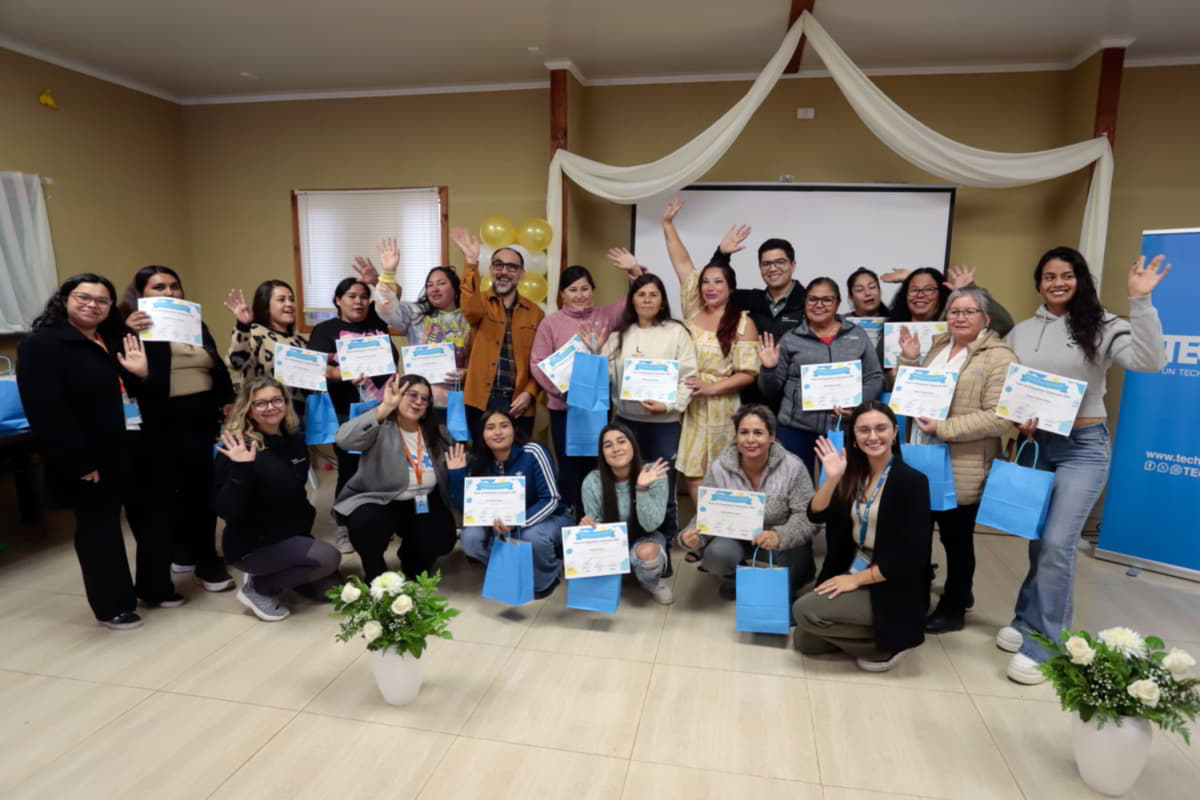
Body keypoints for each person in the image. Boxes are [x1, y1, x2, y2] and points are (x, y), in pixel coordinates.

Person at [999, 248, 1170, 685]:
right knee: (1039, 541)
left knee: (1059, 542)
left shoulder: (1105, 323)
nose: (1058, 282)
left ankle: (1049, 645)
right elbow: (1011, 389)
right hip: (1037, 444)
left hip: (1083, 446)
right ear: (1038, 283)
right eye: (1049, 276)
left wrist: (1141, 302)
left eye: (1067, 275)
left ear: (1081, 280)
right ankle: (1024, 622)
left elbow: (1151, 361)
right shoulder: (1020, 332)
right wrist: (1016, 417)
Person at [16, 274, 157, 629]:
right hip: (87, 455)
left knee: (141, 518)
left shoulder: (112, 338)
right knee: (100, 530)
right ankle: (112, 606)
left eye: (102, 300)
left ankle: (148, 588)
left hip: (129, 445)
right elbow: (47, 412)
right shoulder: (41, 345)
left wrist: (141, 374)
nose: (92, 305)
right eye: (84, 297)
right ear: (64, 299)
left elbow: (130, 390)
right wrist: (79, 462)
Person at [895, 287, 1016, 633]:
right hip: (921, 454)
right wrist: (909, 360)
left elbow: (1000, 417)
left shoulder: (1000, 357)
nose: (960, 318)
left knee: (956, 538)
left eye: (969, 312)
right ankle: (916, 596)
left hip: (962, 463)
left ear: (987, 318)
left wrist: (945, 428)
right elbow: (912, 394)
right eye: (954, 312)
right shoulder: (938, 346)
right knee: (918, 532)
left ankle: (954, 606)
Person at [120, 265, 236, 591]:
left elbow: (217, 366)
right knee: (172, 495)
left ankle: (203, 557)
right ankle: (190, 555)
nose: (170, 293)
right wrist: (125, 330)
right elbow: (129, 377)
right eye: (159, 288)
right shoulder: (131, 328)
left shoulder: (195, 324)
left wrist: (227, 399)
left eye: (175, 286)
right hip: (160, 422)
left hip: (201, 418)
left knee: (202, 490)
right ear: (142, 294)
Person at [793, 402, 933, 672]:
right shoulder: (853, 474)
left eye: (881, 428)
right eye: (864, 430)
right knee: (805, 641)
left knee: (804, 611)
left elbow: (911, 557)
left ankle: (895, 641)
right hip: (854, 564)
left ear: (895, 432)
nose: (873, 436)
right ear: (854, 437)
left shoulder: (912, 482)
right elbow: (815, 514)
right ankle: (873, 630)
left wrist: (855, 580)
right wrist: (832, 479)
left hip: (890, 578)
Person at [214, 377, 342, 621]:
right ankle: (258, 587)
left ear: (286, 403)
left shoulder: (293, 439)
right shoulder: (239, 448)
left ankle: (287, 569)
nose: (270, 407)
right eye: (260, 403)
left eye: (276, 400)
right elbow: (227, 510)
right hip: (254, 544)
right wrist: (241, 470)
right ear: (248, 410)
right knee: (328, 557)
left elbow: (295, 494)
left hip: (290, 535)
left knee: (333, 590)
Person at [587, 273, 698, 539]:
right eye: (641, 294)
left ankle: (666, 538)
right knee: (624, 482)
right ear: (632, 300)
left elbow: (689, 379)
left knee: (663, 483)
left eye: (653, 294)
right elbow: (604, 379)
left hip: (664, 425)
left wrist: (669, 406)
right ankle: (624, 535)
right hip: (626, 423)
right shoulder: (618, 337)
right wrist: (594, 352)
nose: (647, 300)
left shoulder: (676, 333)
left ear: (662, 301)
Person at [665, 197, 803, 408]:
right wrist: (721, 254)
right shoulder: (746, 300)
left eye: (780, 262)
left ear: (793, 265)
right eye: (766, 264)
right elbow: (707, 280)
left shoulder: (810, 303)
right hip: (747, 400)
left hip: (791, 400)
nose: (773, 268)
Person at [663, 211, 760, 502]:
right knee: (694, 474)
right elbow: (681, 262)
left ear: (730, 288)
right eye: (706, 282)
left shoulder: (743, 323)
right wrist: (668, 225)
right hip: (690, 405)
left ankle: (727, 536)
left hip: (722, 405)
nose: (710, 287)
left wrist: (711, 388)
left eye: (718, 282)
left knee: (726, 473)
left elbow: (748, 373)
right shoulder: (693, 309)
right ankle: (704, 537)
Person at [678, 405, 818, 600]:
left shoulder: (793, 467)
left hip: (781, 543)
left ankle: (783, 584)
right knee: (716, 555)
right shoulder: (719, 468)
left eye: (758, 432)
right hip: (737, 540)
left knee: (794, 573)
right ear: (736, 436)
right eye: (744, 432)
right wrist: (690, 537)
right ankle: (734, 579)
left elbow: (808, 516)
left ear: (772, 437)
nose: (750, 439)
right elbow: (707, 515)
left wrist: (779, 535)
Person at [333, 374, 458, 583]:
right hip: (380, 500)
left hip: (422, 501)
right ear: (397, 395)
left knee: (442, 536)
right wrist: (384, 408)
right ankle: (374, 570)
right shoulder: (379, 425)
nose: (418, 401)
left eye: (424, 398)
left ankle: (412, 560)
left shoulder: (437, 433)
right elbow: (343, 440)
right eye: (412, 395)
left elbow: (456, 461)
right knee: (365, 523)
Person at [306, 274, 398, 554]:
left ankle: (379, 519)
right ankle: (344, 525)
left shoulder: (377, 326)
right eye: (351, 296)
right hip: (345, 410)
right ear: (338, 300)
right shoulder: (325, 330)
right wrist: (343, 373)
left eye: (362, 296)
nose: (358, 301)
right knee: (349, 468)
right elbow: (314, 368)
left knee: (382, 465)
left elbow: (392, 358)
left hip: (381, 407)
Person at [757, 277, 884, 476]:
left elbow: (875, 377)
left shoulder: (857, 335)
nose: (819, 305)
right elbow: (770, 389)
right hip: (796, 428)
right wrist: (768, 368)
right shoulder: (791, 339)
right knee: (795, 487)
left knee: (840, 488)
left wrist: (856, 404)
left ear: (837, 303)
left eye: (826, 300)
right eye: (812, 299)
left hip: (842, 428)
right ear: (805, 302)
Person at [531, 263, 629, 516]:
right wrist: (561, 391)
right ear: (562, 294)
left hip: (596, 408)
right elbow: (537, 363)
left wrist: (634, 271)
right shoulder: (550, 323)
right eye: (573, 289)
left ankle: (598, 516)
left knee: (599, 463)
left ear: (593, 290)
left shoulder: (605, 316)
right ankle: (574, 519)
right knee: (570, 466)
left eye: (585, 288)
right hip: (564, 408)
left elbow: (635, 301)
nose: (580, 295)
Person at [449, 408, 571, 598]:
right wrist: (457, 474)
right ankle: (513, 569)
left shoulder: (533, 452)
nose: (498, 432)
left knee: (532, 536)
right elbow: (467, 509)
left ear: (514, 429)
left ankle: (548, 575)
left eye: (504, 426)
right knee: (470, 539)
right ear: (482, 434)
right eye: (490, 428)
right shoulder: (479, 461)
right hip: (500, 523)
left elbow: (552, 499)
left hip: (549, 518)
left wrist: (517, 522)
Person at [360, 237, 471, 421]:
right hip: (416, 402)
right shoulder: (416, 313)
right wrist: (388, 273)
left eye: (441, 283)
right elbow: (386, 308)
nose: (434, 289)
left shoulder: (469, 317)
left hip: (456, 403)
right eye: (429, 285)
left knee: (451, 448)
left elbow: (483, 358)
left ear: (455, 288)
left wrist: (467, 373)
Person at [450, 227, 545, 439]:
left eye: (512, 267)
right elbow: (469, 308)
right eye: (499, 265)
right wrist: (471, 263)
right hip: (480, 400)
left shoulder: (536, 313)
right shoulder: (480, 301)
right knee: (481, 463)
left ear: (522, 274)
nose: (504, 272)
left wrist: (530, 393)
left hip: (519, 402)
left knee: (518, 462)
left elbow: (540, 362)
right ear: (491, 270)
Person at [579, 422, 674, 604]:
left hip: (645, 537)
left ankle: (652, 583)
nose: (615, 449)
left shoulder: (654, 473)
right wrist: (588, 524)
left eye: (621, 441)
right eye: (608, 445)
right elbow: (595, 524)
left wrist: (642, 488)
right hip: (612, 541)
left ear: (632, 445)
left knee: (648, 553)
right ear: (602, 453)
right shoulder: (592, 481)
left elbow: (651, 524)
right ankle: (615, 577)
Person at [879, 266, 1014, 389]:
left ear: (941, 293)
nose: (920, 294)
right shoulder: (893, 331)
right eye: (914, 290)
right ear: (905, 295)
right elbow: (875, 374)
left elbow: (1004, 323)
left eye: (929, 289)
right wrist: (891, 377)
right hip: (903, 406)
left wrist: (969, 290)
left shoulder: (956, 327)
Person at [223, 280, 309, 417]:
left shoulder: (301, 341)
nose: (289, 304)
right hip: (265, 413)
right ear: (266, 306)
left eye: (291, 300)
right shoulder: (255, 332)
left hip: (299, 413)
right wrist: (243, 326)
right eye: (281, 300)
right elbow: (235, 362)